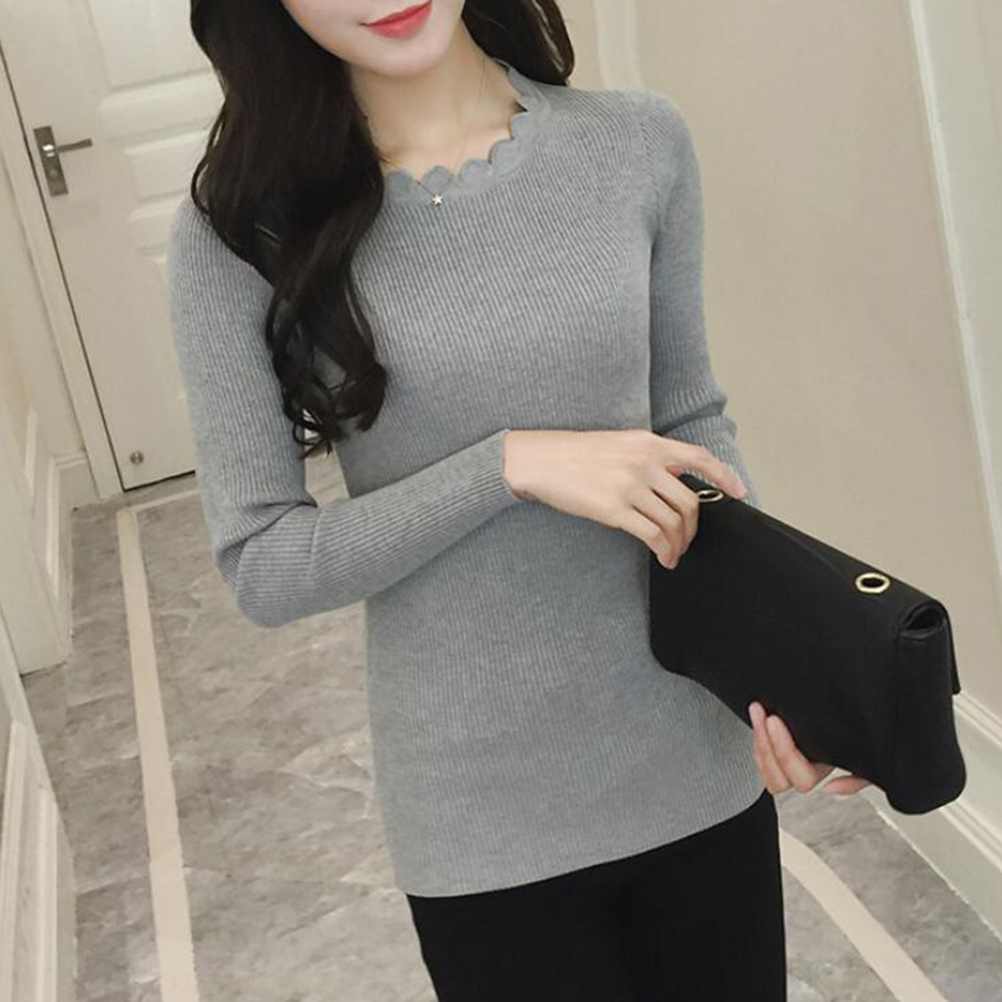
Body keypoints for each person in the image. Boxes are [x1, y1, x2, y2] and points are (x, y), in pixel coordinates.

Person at [169, 1, 870, 998]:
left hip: (691, 765)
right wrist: (505, 467)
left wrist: (786, 663)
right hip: (481, 821)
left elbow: (691, 423)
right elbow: (264, 564)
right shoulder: (240, 232)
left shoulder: (638, 143)